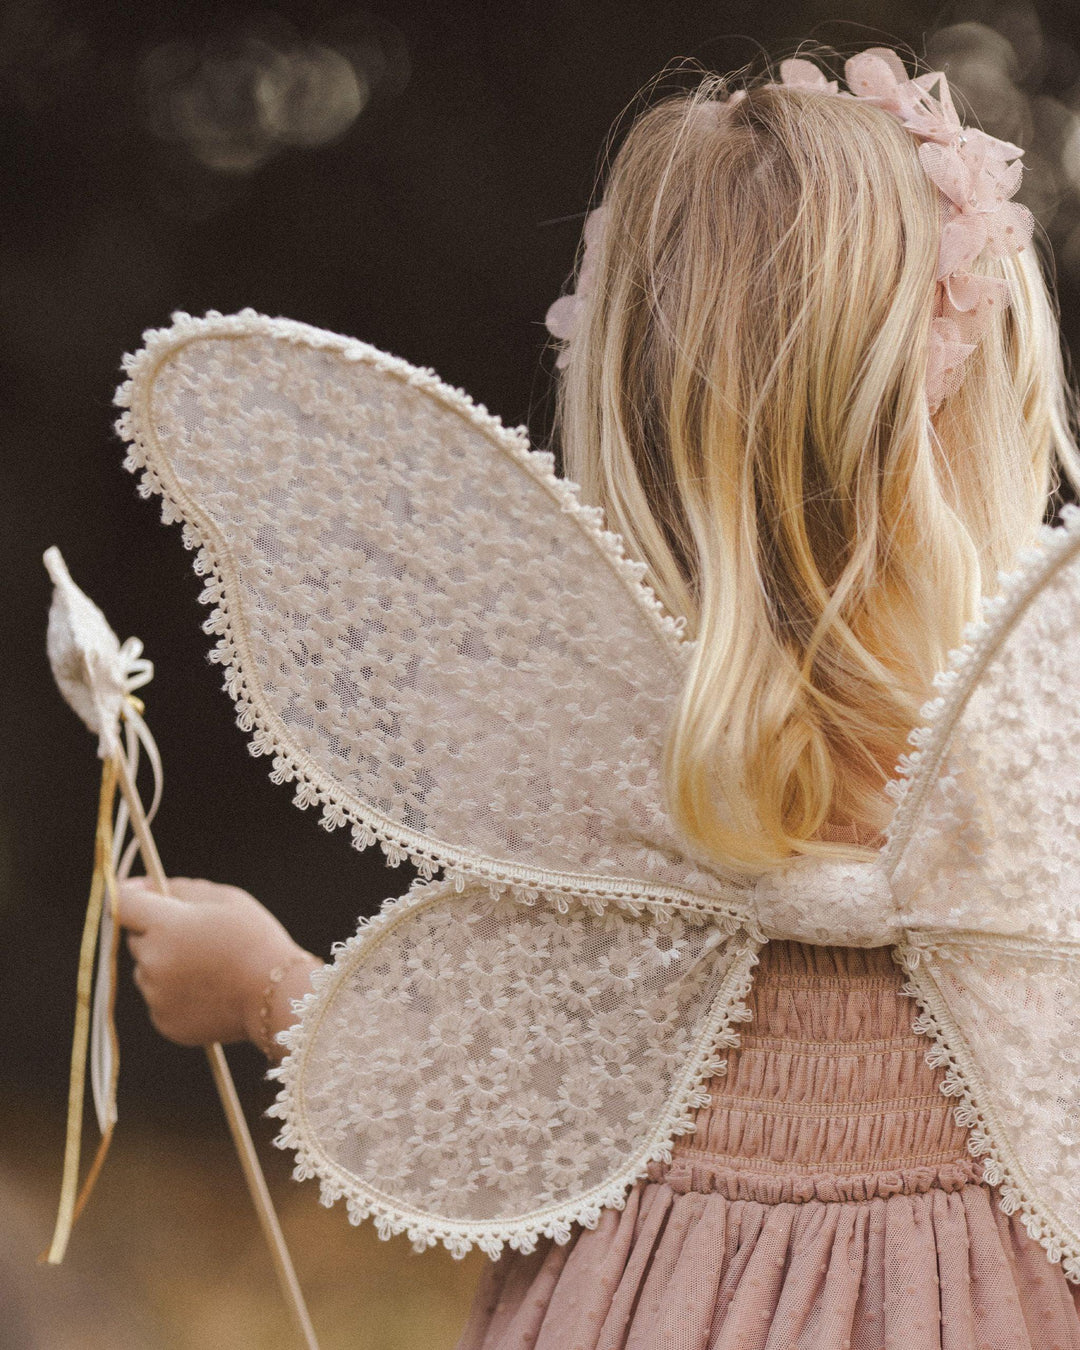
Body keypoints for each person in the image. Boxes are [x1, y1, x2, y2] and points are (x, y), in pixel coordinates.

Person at [117, 46, 1080, 1349]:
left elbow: (494, 1102)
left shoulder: (603, 754)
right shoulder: (1036, 746)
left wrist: (261, 984)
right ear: (989, 382)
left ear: (628, 393)